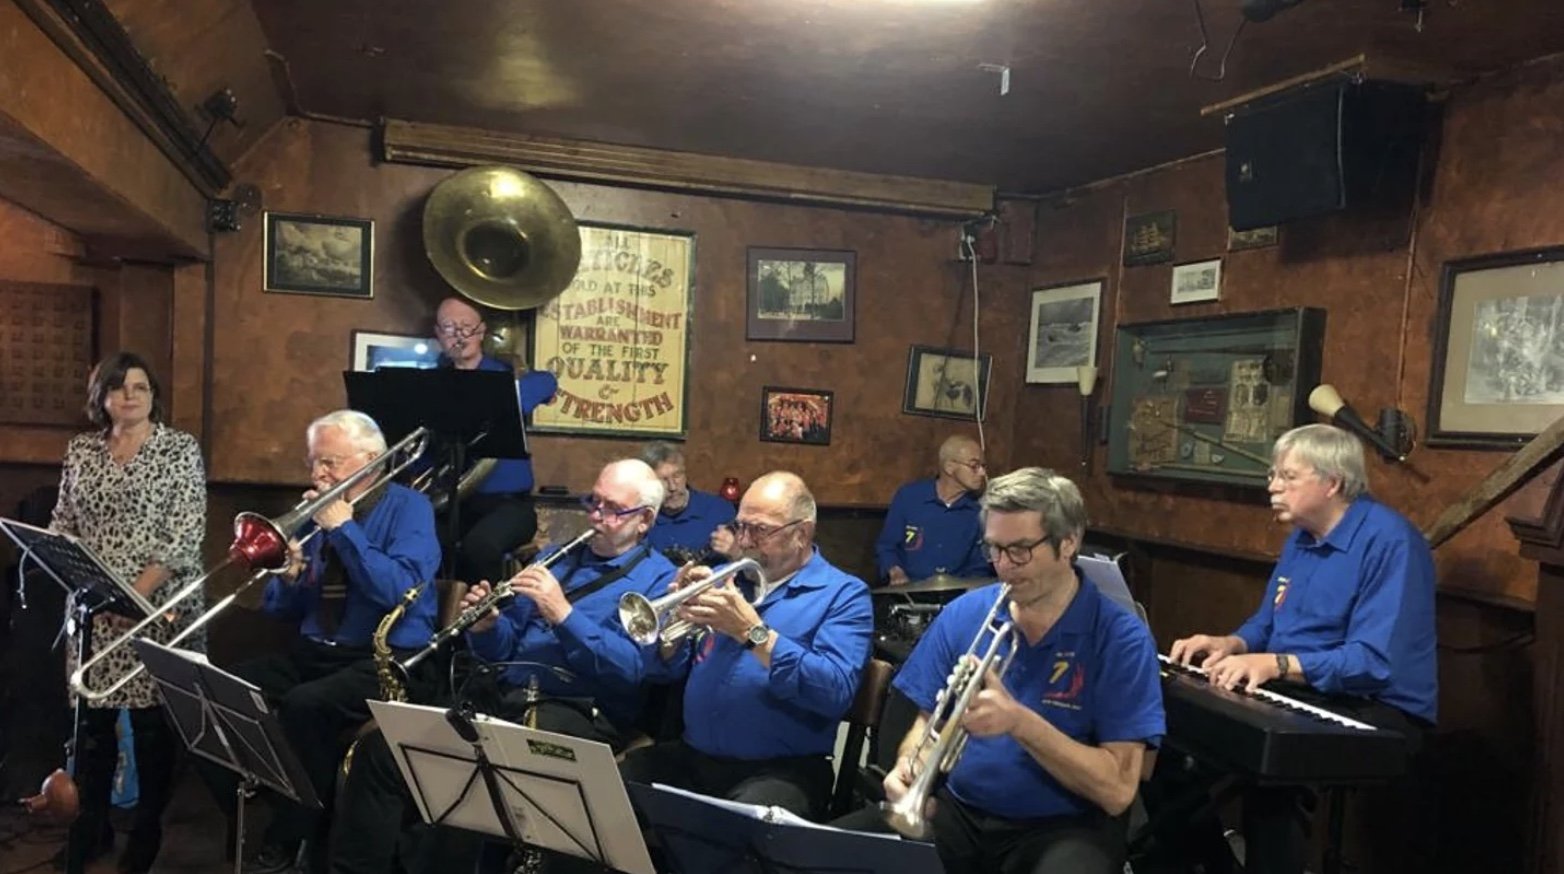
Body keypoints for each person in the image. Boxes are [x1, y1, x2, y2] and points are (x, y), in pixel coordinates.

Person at [327, 458, 677, 874]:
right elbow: (506, 647)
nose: (597, 516)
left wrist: (563, 614)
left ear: (644, 520)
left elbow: (630, 670)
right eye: (594, 502)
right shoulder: (555, 557)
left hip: (577, 710)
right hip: (502, 697)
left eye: (613, 509)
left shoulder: (660, 580)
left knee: (475, 784)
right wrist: (488, 627)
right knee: (381, 751)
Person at [840, 467, 1164, 874]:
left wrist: (1019, 723)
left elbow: (1117, 791)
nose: (1003, 566)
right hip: (961, 811)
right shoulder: (965, 613)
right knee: (818, 855)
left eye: (1020, 550)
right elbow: (926, 720)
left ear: (1068, 542)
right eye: (994, 548)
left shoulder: (1121, 638)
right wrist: (909, 768)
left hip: (1065, 826)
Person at [1163, 423, 1437, 874]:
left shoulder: (1390, 541)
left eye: (1288, 477)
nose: (1272, 486)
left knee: (1275, 775)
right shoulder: (1302, 538)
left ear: (1332, 483)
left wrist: (1276, 664)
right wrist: (1231, 643)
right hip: (1303, 688)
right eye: (1273, 475)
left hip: (1376, 706)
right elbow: (1268, 625)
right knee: (1164, 746)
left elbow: (1372, 662)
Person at [207, 410, 441, 874]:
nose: (318, 473)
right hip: (317, 652)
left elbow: (398, 591)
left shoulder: (409, 508)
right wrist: (290, 577)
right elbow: (282, 611)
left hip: (386, 657)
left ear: (370, 461)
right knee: (217, 689)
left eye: (329, 462)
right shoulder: (315, 514)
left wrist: (344, 531)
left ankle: (297, 833)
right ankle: (275, 807)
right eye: (313, 461)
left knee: (304, 706)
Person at [619, 471, 873, 819]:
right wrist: (674, 622)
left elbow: (834, 691)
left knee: (734, 828)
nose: (745, 540)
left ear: (801, 533)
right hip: (694, 757)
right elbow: (666, 670)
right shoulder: (727, 581)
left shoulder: (844, 595)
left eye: (760, 530)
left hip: (782, 770)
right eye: (740, 527)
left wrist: (752, 632)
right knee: (607, 793)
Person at [51, 352, 207, 874]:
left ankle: (146, 831)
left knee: (150, 728)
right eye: (118, 387)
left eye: (141, 386)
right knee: (92, 726)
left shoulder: (179, 449)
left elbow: (183, 537)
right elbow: (63, 523)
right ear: (101, 398)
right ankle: (90, 828)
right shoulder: (81, 450)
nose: (130, 396)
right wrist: (83, 586)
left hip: (157, 608)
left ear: (153, 395)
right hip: (94, 610)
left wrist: (131, 600)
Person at [432, 295, 559, 583]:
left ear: (481, 331)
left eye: (466, 326)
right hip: (450, 504)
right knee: (423, 542)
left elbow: (547, 381)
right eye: (449, 327)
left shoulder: (505, 375)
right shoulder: (430, 384)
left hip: (509, 505)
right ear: (438, 334)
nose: (459, 335)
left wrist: (491, 401)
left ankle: (488, 610)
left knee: (480, 547)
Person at [874, 435, 992, 586]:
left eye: (983, 466)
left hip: (956, 595)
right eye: (974, 466)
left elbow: (978, 566)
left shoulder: (978, 511)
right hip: (906, 593)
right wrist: (895, 572)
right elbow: (887, 547)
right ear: (949, 467)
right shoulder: (909, 497)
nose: (982, 473)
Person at [638, 441, 736, 564]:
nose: (672, 487)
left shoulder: (720, 510)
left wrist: (735, 552)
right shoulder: (641, 518)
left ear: (685, 474)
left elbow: (749, 561)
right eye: (663, 480)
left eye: (677, 476)